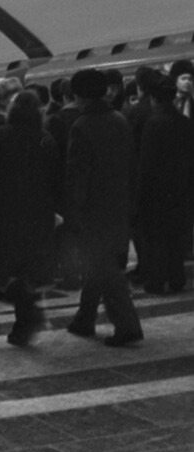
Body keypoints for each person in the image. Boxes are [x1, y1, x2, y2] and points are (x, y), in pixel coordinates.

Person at [0, 90, 61, 345]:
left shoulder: (2, 135)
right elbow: (56, 179)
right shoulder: (46, 138)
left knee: (5, 271)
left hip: (6, 213)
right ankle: (25, 321)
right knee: (26, 269)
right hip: (38, 214)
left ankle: (28, 316)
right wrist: (58, 210)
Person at [62, 68, 143, 346]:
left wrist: (73, 211)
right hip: (120, 205)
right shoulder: (120, 119)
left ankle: (128, 325)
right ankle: (84, 319)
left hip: (94, 210)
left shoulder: (82, 125)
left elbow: (78, 173)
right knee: (98, 266)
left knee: (105, 268)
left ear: (79, 95)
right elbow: (133, 166)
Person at [134, 78, 194, 294]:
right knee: (176, 237)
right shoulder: (186, 122)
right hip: (181, 189)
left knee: (157, 238)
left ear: (154, 98)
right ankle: (177, 278)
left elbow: (146, 163)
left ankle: (157, 281)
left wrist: (140, 194)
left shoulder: (154, 123)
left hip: (157, 191)